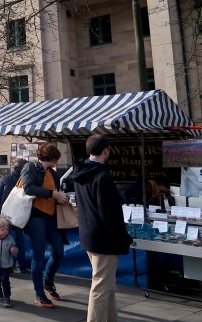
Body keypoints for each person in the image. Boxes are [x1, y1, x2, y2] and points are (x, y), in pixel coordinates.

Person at [71, 134, 133, 322]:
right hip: (103, 238)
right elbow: (109, 213)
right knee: (101, 287)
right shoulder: (102, 175)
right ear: (106, 151)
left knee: (107, 284)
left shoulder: (81, 171)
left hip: (89, 233)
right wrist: (123, 236)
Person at [21, 143, 71, 308]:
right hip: (36, 217)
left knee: (58, 252)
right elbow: (28, 188)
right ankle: (39, 294)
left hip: (51, 218)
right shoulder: (31, 167)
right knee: (38, 256)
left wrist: (61, 197)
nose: (56, 162)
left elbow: (55, 192)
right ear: (52, 158)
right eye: (56, 159)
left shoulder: (52, 173)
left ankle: (48, 282)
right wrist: (52, 194)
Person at [0, 158, 30, 273]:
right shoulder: (27, 180)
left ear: (13, 168)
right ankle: (21, 266)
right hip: (20, 214)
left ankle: (5, 266)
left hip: (4, 213)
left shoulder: (5, 178)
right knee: (19, 240)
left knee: (3, 239)